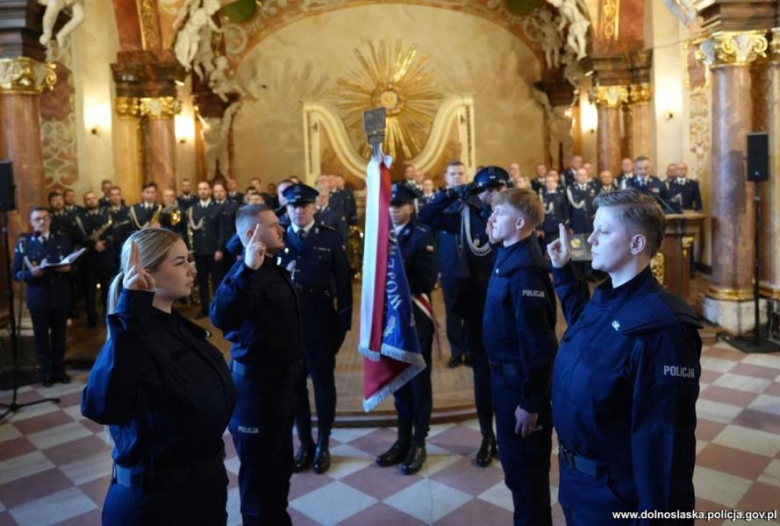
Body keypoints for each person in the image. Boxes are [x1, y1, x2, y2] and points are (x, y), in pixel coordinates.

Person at [547, 189, 702, 525]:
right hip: (578, 483)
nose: (591, 239)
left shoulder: (664, 327)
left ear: (636, 244)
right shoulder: (608, 297)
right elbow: (590, 332)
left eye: (603, 231)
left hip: (616, 497)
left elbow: (664, 442)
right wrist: (562, 271)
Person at [82, 229, 236, 525]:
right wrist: (132, 310)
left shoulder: (177, 327)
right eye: (180, 262)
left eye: (189, 259)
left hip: (202, 490)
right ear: (146, 272)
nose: (192, 269)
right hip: (156, 505)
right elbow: (104, 406)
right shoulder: (132, 337)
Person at [211, 204, 303, 525]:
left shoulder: (272, 267)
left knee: (279, 470)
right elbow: (222, 315)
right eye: (274, 225)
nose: (282, 229)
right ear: (251, 233)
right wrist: (247, 270)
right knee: (259, 480)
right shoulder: (245, 273)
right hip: (256, 392)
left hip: (281, 389)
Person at [419, 163, 506, 468]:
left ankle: (507, 436)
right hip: (478, 303)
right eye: (486, 188)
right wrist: (452, 194)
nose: (492, 193)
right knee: (482, 375)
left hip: (508, 302)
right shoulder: (466, 216)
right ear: (477, 191)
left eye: (498, 187)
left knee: (509, 376)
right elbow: (426, 216)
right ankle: (487, 436)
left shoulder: (514, 214)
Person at [485, 188, 557, 525]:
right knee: (516, 472)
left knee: (528, 480)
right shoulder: (509, 254)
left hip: (520, 388)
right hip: (505, 381)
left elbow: (539, 344)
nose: (491, 219)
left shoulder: (526, 270)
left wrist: (531, 402)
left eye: (498, 213)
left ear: (518, 223)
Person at [278, 184, 352, 475]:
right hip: (287, 325)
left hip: (320, 321)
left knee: (323, 384)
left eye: (304, 205)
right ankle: (305, 443)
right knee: (295, 387)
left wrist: (342, 326)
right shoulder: (278, 237)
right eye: (293, 206)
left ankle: (323, 442)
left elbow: (343, 286)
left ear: (314, 207)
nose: (299, 211)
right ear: (286, 209)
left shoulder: (329, 238)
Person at [376, 184, 439, 475]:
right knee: (399, 382)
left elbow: (426, 280)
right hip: (391, 321)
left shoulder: (422, 235)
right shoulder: (382, 236)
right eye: (391, 205)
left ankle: (419, 442)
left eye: (400, 205)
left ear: (411, 207)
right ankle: (402, 440)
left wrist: (394, 283)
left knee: (418, 383)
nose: (394, 210)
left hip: (415, 318)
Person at [13, 207, 73, 386]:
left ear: (50, 220)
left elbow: (74, 266)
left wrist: (68, 269)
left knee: (59, 336)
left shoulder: (61, 240)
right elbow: (16, 273)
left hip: (59, 295)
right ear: (31, 223)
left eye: (45, 218)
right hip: (38, 298)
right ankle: (46, 372)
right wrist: (31, 274)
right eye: (37, 219)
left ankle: (59, 370)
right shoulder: (25, 244)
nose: (42, 221)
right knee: (41, 338)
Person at [76, 191, 116, 327]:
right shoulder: (80, 217)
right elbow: (80, 237)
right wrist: (94, 244)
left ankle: (108, 315)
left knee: (107, 289)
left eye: (93, 198)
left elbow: (113, 234)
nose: (91, 200)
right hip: (89, 259)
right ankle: (91, 317)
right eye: (88, 199)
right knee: (90, 291)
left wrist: (104, 243)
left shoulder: (106, 215)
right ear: (84, 202)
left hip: (105, 257)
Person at [187, 181, 225, 318]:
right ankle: (205, 308)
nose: (202, 191)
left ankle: (218, 309)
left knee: (217, 280)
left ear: (209, 191)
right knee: (202, 281)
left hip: (214, 251)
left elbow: (221, 231)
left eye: (205, 189)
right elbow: (190, 231)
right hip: (199, 250)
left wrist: (219, 249)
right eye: (200, 189)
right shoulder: (193, 209)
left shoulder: (217, 208)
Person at [538, 173, 569, 247]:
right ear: (545, 184)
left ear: (556, 183)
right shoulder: (541, 196)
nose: (550, 183)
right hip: (547, 228)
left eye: (552, 181)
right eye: (548, 182)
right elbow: (539, 214)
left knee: (561, 247)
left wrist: (567, 226)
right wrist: (540, 228)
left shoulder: (561, 195)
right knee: (548, 249)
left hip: (559, 226)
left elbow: (565, 211)